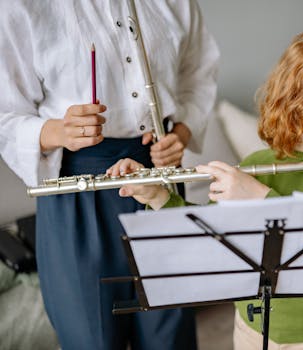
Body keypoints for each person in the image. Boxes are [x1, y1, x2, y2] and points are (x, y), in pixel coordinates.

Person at [109, 31, 303, 349]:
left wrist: (257, 196)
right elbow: (208, 234)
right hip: (251, 326)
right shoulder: (258, 162)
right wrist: (157, 196)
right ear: (293, 115)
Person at [0, 1, 219, 349]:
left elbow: (199, 73)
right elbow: (5, 113)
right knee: (92, 336)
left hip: (160, 179)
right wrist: (57, 131)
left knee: (170, 329)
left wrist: (182, 133)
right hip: (76, 188)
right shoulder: (21, 6)